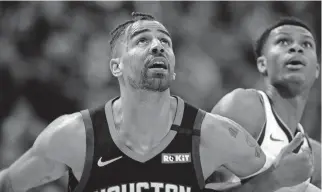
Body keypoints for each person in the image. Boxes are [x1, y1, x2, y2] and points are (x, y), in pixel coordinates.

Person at [0, 13, 309, 192]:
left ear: (173, 67)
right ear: (116, 66)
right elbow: (9, 184)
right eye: (142, 40)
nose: (158, 46)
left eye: (165, 41)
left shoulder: (214, 135)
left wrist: (276, 179)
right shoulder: (74, 136)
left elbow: (270, 184)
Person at [210, 17, 321, 192]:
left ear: (316, 70)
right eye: (283, 41)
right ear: (262, 64)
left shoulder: (315, 155)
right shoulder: (244, 107)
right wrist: (272, 181)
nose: (296, 48)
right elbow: (183, 183)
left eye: (306, 44)